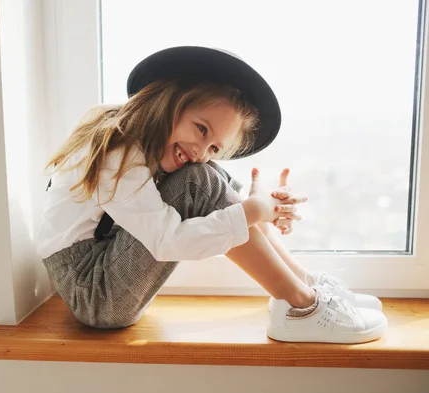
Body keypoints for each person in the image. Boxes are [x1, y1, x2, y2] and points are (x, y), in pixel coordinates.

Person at [36, 46, 388, 343]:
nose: (202, 149)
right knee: (198, 180)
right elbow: (169, 241)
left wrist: (256, 211)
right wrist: (252, 211)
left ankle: (303, 284)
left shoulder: (147, 143)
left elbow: (210, 198)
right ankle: (301, 304)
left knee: (206, 175)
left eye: (214, 145)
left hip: (105, 272)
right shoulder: (119, 151)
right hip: (94, 291)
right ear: (169, 103)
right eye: (201, 128)